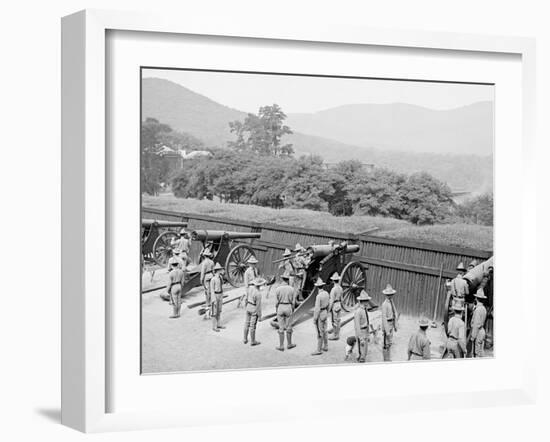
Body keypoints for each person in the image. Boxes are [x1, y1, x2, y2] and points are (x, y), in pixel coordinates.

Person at [274, 274, 297, 351]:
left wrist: (277, 310)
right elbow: (293, 302)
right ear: (288, 280)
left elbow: (276, 303)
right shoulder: (292, 289)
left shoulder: (278, 289)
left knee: (281, 327)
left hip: (280, 306)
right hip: (288, 306)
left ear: (282, 279)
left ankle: (281, 346)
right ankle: (289, 344)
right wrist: (292, 310)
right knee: (289, 327)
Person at [311, 278, 330, 356]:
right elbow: (329, 304)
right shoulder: (326, 293)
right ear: (323, 286)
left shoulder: (318, 296)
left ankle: (319, 349)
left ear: (317, 287)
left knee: (319, 332)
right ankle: (325, 346)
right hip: (325, 312)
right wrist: (327, 312)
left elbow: (317, 309)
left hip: (320, 313)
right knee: (325, 330)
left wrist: (315, 318)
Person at [243, 278, 264, 346]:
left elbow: (246, 298)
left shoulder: (250, 288)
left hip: (248, 306)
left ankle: (245, 339)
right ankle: (253, 341)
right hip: (254, 308)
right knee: (252, 326)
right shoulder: (258, 294)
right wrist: (260, 316)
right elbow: (258, 306)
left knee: (246, 323)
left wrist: (246, 305)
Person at [381, 284, 398, 362]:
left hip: (391, 323)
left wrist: (395, 324)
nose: (390, 296)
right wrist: (387, 331)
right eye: (388, 295)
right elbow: (384, 318)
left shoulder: (391, 302)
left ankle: (388, 358)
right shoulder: (384, 304)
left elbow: (395, 313)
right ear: (385, 295)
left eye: (391, 294)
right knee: (386, 343)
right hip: (387, 324)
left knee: (390, 342)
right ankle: (386, 359)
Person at [354, 290, 372, 363]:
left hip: (365, 331)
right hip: (361, 331)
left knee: (365, 350)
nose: (368, 302)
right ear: (362, 301)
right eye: (366, 300)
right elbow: (357, 326)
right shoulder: (358, 311)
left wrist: (368, 334)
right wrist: (360, 338)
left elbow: (367, 322)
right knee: (362, 349)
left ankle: (362, 357)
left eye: (367, 300)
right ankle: (361, 359)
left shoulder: (364, 310)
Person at [470, 288, 488, 357]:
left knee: (477, 354)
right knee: (481, 352)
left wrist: (473, 336)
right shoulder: (483, 309)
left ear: (476, 299)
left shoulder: (478, 310)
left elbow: (476, 325)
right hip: (482, 331)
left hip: (478, 332)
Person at [209, 263, 226, 332]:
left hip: (220, 294)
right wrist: (213, 299)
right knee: (214, 311)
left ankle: (219, 324)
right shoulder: (213, 279)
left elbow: (222, 286)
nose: (221, 270)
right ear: (217, 270)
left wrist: (222, 295)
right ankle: (214, 326)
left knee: (219, 310)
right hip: (215, 295)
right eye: (220, 269)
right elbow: (212, 290)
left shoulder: (220, 278)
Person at [199, 249, 215, 320]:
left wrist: (201, 280)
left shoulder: (204, 263)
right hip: (211, 275)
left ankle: (207, 312)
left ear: (204, 256)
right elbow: (214, 271)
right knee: (211, 292)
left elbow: (202, 272)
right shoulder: (212, 262)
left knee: (207, 293)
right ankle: (212, 310)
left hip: (206, 276)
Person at [328, 272, 343, 340]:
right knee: (338, 320)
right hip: (339, 304)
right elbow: (342, 299)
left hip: (334, 305)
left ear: (333, 280)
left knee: (334, 321)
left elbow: (331, 300)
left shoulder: (333, 289)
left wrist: (329, 309)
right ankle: (337, 333)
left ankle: (335, 335)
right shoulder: (340, 288)